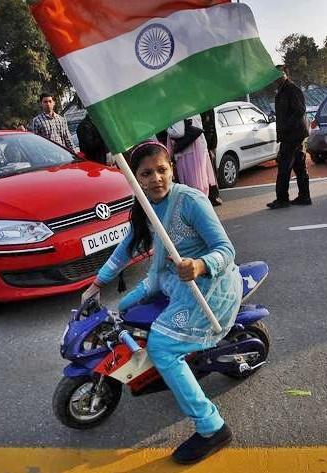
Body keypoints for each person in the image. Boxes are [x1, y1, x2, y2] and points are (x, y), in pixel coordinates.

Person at [81, 141, 242, 464]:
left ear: (172, 169)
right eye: (146, 173)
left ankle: (212, 427)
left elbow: (226, 250)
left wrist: (199, 265)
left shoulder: (190, 200)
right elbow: (125, 248)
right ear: (135, 178)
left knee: (161, 347)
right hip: (169, 282)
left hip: (208, 288)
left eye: (162, 170)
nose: (156, 178)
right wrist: (96, 284)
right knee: (124, 310)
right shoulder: (143, 205)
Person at [267, 65, 311, 209]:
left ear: (285, 74)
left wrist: (286, 126)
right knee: (299, 167)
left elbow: (300, 111)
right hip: (293, 135)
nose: (275, 79)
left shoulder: (291, 89)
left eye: (278, 75)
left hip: (293, 136)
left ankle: (282, 199)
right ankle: (304, 197)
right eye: (274, 76)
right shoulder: (282, 91)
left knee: (284, 167)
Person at [167, 119, 217, 198]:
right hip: (199, 150)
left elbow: (179, 132)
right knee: (201, 182)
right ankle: (203, 201)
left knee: (191, 185)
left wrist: (168, 129)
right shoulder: (193, 111)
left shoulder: (178, 112)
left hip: (187, 153)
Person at [200, 109, 223, 206]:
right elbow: (209, 127)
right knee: (210, 172)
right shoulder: (205, 108)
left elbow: (211, 127)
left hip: (209, 144)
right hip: (208, 144)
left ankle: (213, 195)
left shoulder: (207, 108)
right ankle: (213, 196)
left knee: (211, 172)